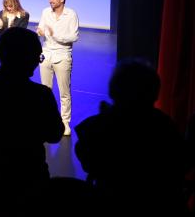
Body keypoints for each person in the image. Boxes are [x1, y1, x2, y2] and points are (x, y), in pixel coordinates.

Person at [0, 28, 64, 208]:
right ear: (28, 58)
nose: (37, 61)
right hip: (28, 180)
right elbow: (54, 134)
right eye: (38, 57)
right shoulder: (40, 95)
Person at [75, 59, 188, 216]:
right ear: (154, 92)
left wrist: (106, 118)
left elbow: (88, 164)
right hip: (159, 206)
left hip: (109, 204)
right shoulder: (165, 125)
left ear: (114, 90)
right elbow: (180, 165)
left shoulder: (96, 126)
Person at [36, 0, 79, 136]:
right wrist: (40, 31)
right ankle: (46, 119)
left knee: (64, 92)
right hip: (46, 54)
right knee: (45, 91)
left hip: (62, 55)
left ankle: (64, 122)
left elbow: (74, 36)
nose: (50, 0)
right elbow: (41, 28)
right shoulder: (45, 12)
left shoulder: (71, 14)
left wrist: (55, 35)